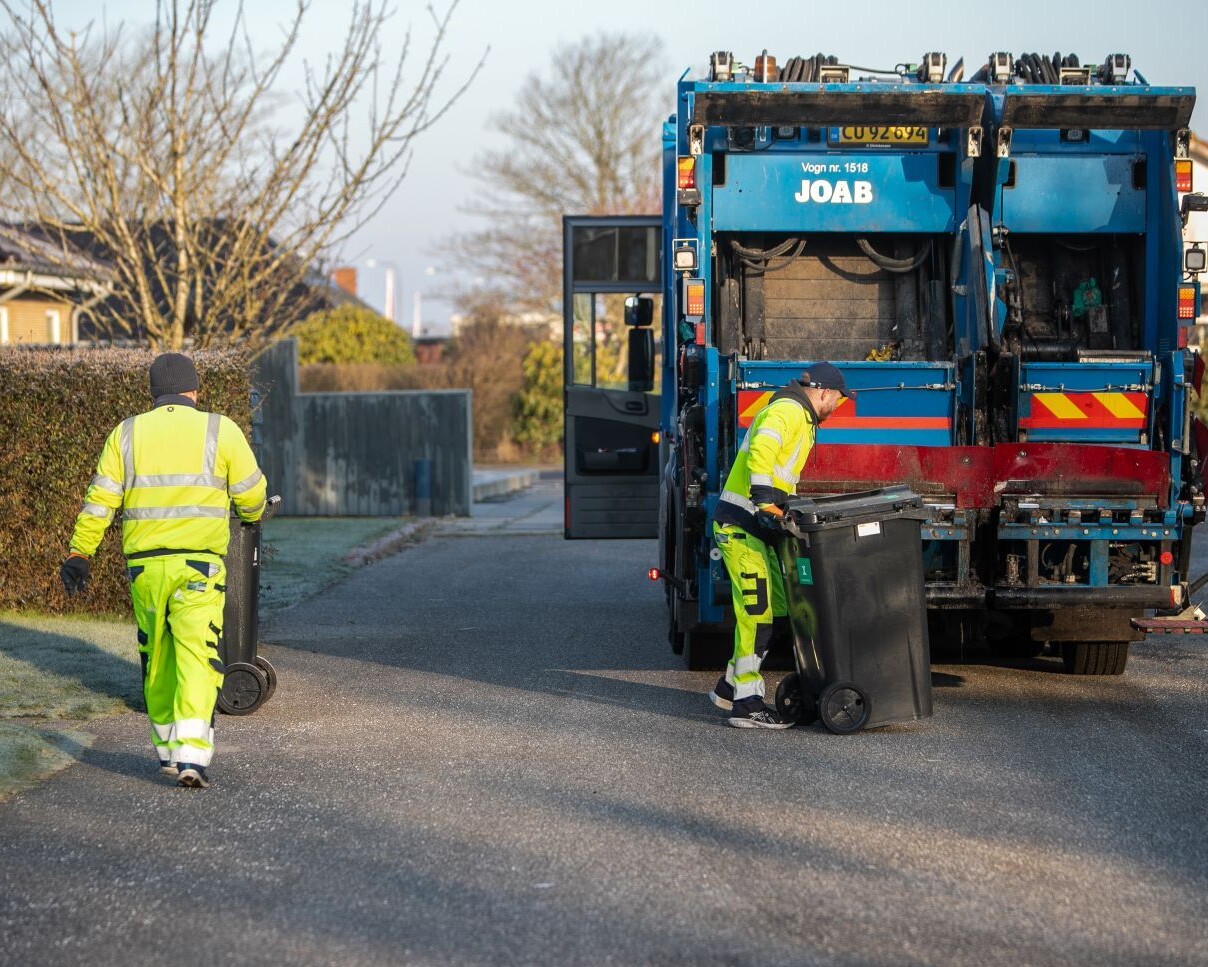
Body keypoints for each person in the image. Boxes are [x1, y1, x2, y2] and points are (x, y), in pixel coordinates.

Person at [59, 352, 268, 787]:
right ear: (194, 390)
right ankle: (192, 757)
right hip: (199, 567)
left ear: (154, 393)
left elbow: (100, 501)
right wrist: (251, 515)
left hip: (146, 569)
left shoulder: (126, 433)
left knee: (156, 657)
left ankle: (168, 752)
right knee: (198, 655)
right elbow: (252, 493)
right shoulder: (220, 429)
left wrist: (81, 553)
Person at [708, 362, 853, 728]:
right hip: (741, 525)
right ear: (823, 392)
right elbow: (762, 448)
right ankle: (746, 704)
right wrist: (763, 498)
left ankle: (729, 687)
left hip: (757, 528)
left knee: (775, 606)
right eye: (837, 399)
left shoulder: (802, 418)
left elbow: (781, 473)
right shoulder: (788, 410)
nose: (837, 407)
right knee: (756, 612)